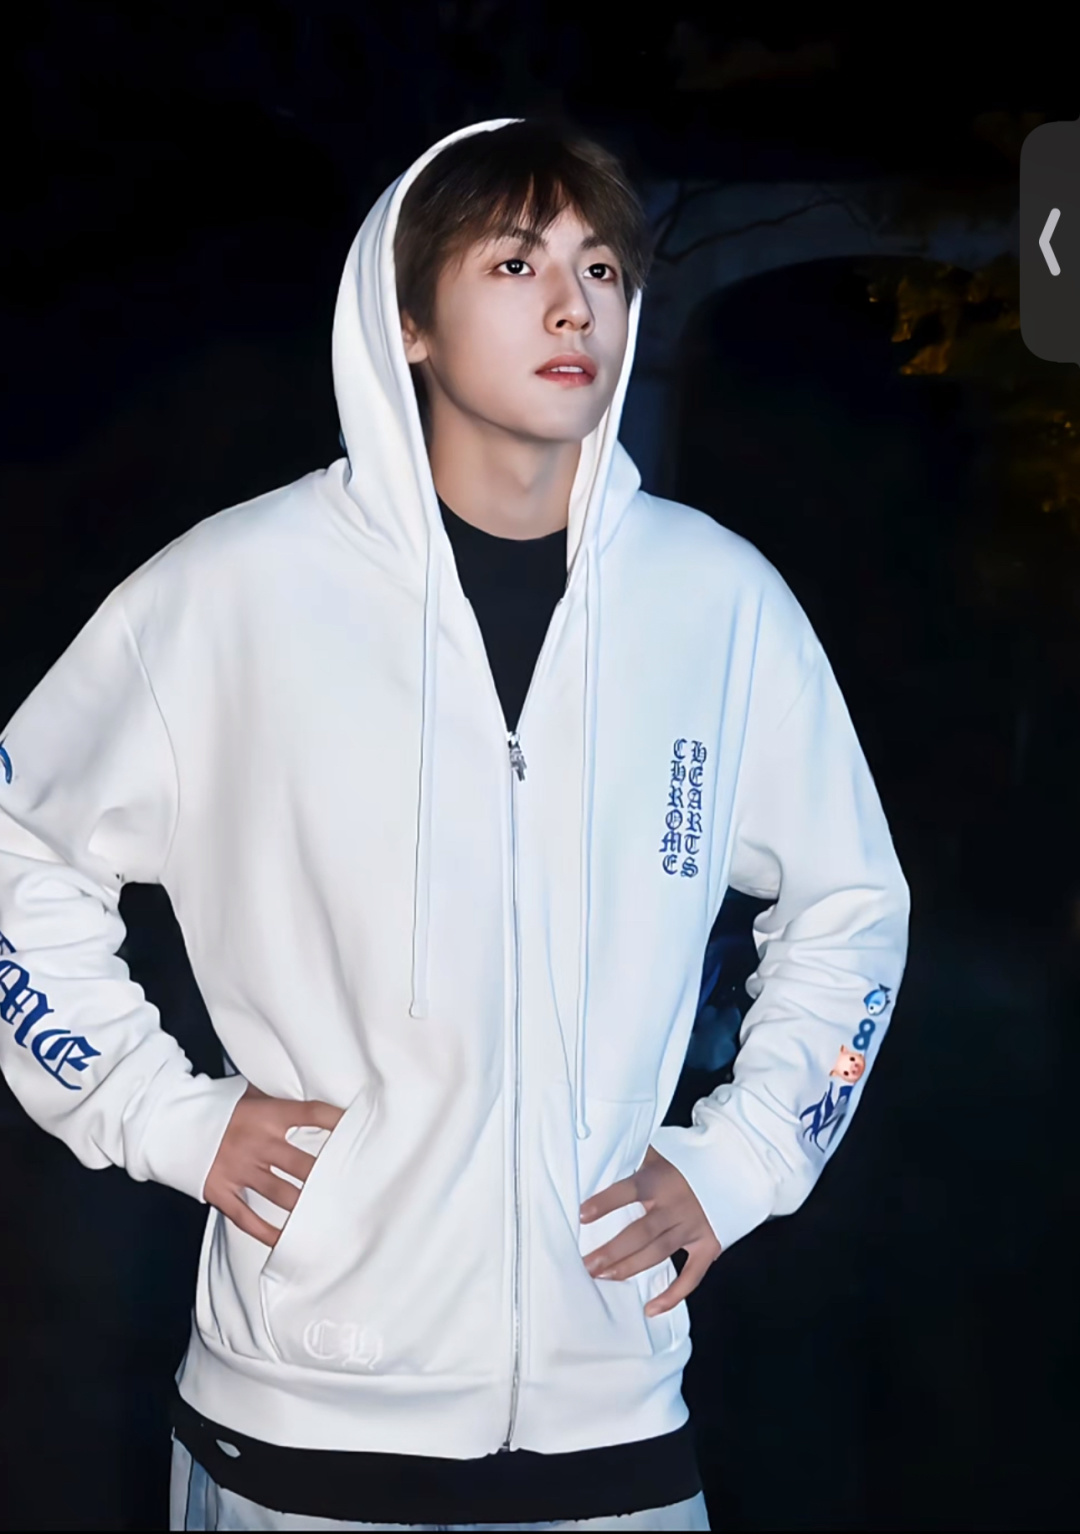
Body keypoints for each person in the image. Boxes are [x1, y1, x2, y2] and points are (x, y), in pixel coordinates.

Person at [0, 117, 909, 1532]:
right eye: (515, 262)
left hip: (616, 1434)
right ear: (408, 323)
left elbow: (853, 907)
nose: (574, 304)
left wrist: (747, 1158)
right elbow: (23, 848)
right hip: (298, 1430)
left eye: (601, 267)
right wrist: (160, 1113)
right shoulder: (235, 593)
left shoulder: (716, 605)